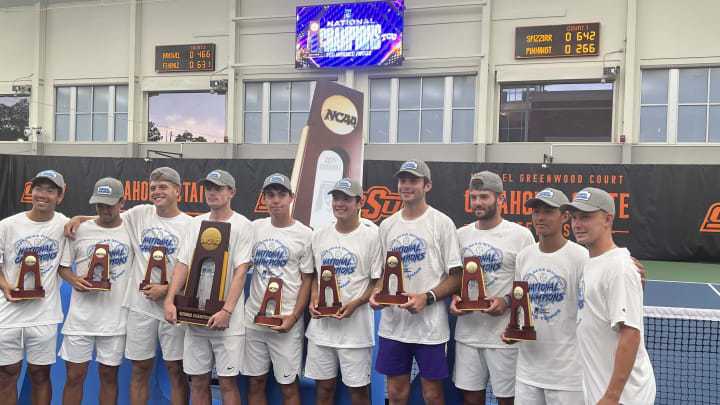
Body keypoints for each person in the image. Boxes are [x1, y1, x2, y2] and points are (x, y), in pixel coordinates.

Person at [65, 166, 191, 405]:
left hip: (171, 307)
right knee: (140, 369)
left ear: (178, 190)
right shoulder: (140, 213)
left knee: (176, 370)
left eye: (163, 187)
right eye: (153, 188)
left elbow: (191, 267)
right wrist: (78, 219)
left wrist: (166, 290)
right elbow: (106, 216)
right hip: (139, 308)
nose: (157, 192)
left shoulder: (190, 225)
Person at [369, 159, 462, 405]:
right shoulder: (387, 225)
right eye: (403, 180)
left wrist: (426, 298)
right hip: (393, 327)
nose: (406, 185)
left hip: (429, 329)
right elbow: (381, 275)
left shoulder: (442, 223)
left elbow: (457, 276)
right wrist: (377, 295)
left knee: (432, 395)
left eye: (413, 180)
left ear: (427, 185)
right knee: (396, 394)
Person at [164, 169, 253, 405]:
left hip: (227, 323)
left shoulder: (243, 225)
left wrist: (227, 311)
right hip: (195, 318)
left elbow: (241, 271)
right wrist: (170, 300)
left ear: (231, 192)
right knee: (199, 382)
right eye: (209, 188)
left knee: (227, 383)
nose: (212, 193)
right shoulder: (195, 223)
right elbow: (183, 264)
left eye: (218, 188)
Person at [562, 187, 656, 405]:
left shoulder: (619, 267)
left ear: (607, 220)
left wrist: (611, 396)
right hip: (599, 391)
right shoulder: (590, 261)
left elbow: (631, 335)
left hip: (623, 398)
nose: (577, 224)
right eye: (575, 217)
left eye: (586, 217)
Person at [449, 171, 535, 405]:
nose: (478, 202)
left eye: (484, 196)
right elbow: (455, 278)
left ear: (501, 199)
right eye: (474, 196)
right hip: (468, 336)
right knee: (470, 399)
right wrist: (456, 297)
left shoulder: (521, 236)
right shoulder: (460, 235)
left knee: (507, 400)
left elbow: (527, 284)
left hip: (503, 337)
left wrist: (506, 301)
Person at [501, 188, 587, 404]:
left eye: (548, 211)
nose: (540, 217)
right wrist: (514, 332)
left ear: (565, 217)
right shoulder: (524, 256)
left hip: (568, 377)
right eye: (536, 211)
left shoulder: (580, 257)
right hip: (527, 373)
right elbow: (520, 305)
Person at [305, 178, 382, 405]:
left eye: (346, 199)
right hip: (322, 331)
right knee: (324, 389)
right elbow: (316, 276)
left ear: (359, 203)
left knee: (358, 392)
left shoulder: (372, 235)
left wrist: (356, 303)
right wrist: (314, 298)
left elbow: (379, 281)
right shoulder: (319, 235)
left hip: (355, 333)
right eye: (336, 198)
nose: (340, 203)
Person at [58, 177, 133, 405]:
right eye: (99, 204)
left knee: (109, 377)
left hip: (115, 319)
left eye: (109, 204)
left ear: (122, 202)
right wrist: (74, 280)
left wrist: (80, 216)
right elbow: (63, 267)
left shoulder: (132, 228)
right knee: (74, 377)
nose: (103, 210)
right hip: (81, 319)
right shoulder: (79, 230)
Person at [0, 170, 69, 405]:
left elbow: (102, 221)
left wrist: (80, 219)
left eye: (50, 190)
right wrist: (4, 285)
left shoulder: (64, 225)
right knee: (7, 374)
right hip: (8, 315)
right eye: (39, 189)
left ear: (59, 197)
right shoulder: (8, 225)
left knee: (40, 375)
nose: (43, 195)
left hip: (44, 315)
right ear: (30, 192)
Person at [244, 173, 313, 405]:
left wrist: (293, 318)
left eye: (282, 194)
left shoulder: (305, 234)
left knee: (288, 385)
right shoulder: (254, 229)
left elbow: (307, 281)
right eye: (270, 195)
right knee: (254, 383)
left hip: (286, 324)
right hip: (253, 321)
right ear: (263, 198)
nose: (276, 200)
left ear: (291, 197)